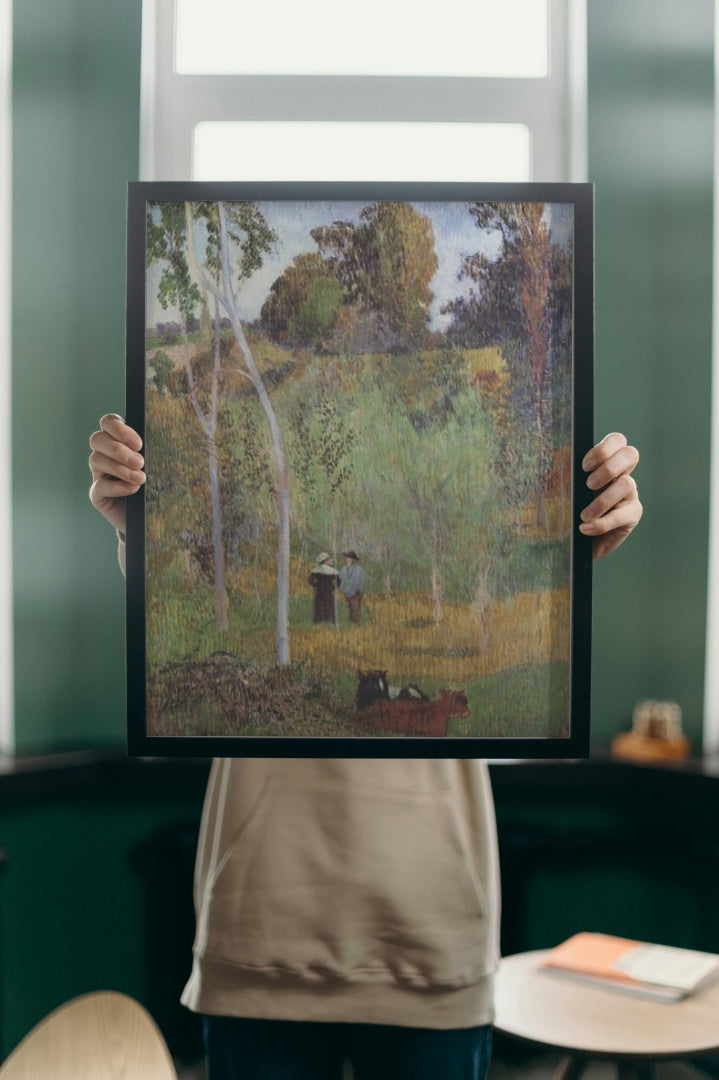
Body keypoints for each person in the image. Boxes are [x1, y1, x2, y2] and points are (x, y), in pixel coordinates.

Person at [89, 417, 642, 1080]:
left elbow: (515, 597)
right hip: (262, 927)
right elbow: (179, 610)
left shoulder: (449, 509)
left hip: (433, 930)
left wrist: (573, 547)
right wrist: (137, 522)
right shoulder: (251, 491)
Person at [308, 552, 340, 624]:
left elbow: (310, 580)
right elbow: (338, 582)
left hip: (319, 592)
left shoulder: (316, 570)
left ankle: (319, 621)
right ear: (325, 560)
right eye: (329, 559)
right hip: (328, 592)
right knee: (328, 606)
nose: (330, 560)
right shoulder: (332, 571)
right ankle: (329, 621)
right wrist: (332, 587)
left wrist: (316, 585)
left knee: (320, 606)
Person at [339, 550, 366, 624]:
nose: (348, 560)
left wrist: (356, 591)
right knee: (348, 607)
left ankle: (355, 623)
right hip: (346, 592)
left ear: (354, 560)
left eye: (350, 558)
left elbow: (359, 582)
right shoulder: (344, 569)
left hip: (356, 593)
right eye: (347, 558)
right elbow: (341, 580)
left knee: (355, 608)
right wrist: (343, 589)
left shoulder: (358, 569)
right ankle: (349, 623)